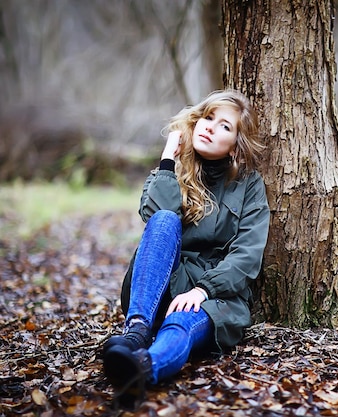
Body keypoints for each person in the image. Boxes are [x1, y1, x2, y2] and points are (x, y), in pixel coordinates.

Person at [101, 89, 270, 409]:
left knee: (181, 326)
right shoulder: (172, 172)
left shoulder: (248, 185)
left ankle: (142, 368)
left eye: (224, 126)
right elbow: (155, 221)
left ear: (236, 144)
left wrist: (204, 290)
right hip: (160, 285)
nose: (209, 127)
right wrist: (168, 159)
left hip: (215, 297)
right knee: (165, 219)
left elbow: (247, 254)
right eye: (207, 118)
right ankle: (136, 330)